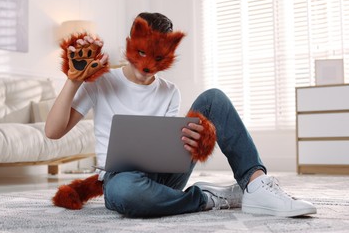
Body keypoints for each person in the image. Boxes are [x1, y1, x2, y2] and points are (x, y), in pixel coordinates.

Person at [45, 12, 317, 218]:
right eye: (141, 52)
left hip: (164, 175)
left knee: (214, 98)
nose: (148, 65)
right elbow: (53, 131)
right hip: (121, 178)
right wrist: (74, 81)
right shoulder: (102, 82)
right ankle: (207, 198)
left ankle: (256, 186)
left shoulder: (169, 91)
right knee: (128, 191)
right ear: (129, 43)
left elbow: (165, 148)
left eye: (158, 57)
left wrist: (199, 140)